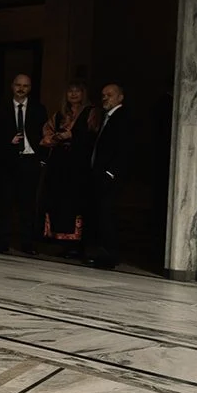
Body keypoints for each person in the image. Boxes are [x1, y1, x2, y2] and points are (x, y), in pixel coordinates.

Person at [0, 73, 46, 255]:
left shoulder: (39, 109)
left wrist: (42, 160)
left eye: (25, 86)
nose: (21, 89)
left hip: (30, 161)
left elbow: (45, 135)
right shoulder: (0, 109)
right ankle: (2, 243)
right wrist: (8, 141)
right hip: (7, 163)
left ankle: (28, 244)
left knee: (28, 206)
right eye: (18, 85)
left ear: (30, 88)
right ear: (12, 86)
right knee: (5, 204)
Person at [40, 83, 99, 253]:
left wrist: (72, 135)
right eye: (70, 91)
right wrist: (55, 137)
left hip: (78, 165)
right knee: (57, 199)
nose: (73, 94)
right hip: (59, 164)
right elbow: (46, 132)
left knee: (75, 202)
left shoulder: (91, 112)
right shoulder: (59, 114)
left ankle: (75, 243)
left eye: (77, 91)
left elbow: (93, 135)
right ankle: (57, 239)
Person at [85, 82, 130, 270]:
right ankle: (102, 253)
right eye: (103, 95)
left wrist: (110, 172)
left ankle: (109, 256)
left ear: (120, 97)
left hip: (109, 177)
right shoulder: (106, 117)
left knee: (107, 215)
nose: (105, 98)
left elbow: (125, 148)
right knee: (101, 215)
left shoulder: (122, 117)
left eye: (110, 95)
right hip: (100, 175)